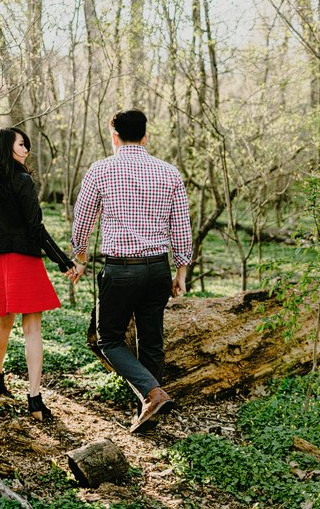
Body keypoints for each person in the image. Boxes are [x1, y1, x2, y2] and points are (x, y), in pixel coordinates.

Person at [69, 109, 193, 433]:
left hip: (122, 270)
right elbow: (181, 227)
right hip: (157, 270)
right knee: (151, 341)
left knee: (108, 338)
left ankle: (152, 395)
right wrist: (181, 271)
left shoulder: (101, 170)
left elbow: (82, 222)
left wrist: (79, 257)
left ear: (114, 136)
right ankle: (151, 407)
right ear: (146, 136)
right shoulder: (169, 173)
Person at [0, 126, 76, 420]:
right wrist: (63, 261)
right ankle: (35, 399)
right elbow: (35, 228)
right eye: (20, 144)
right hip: (22, 258)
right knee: (32, 328)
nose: (26, 149)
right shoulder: (23, 180)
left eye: (27, 144)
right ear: (5, 147)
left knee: (4, 321)